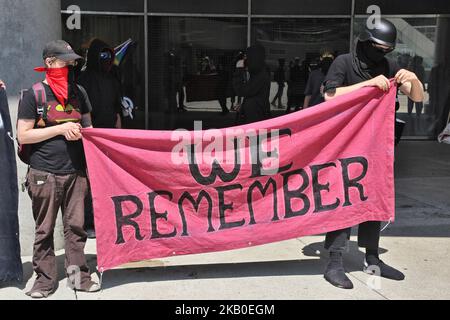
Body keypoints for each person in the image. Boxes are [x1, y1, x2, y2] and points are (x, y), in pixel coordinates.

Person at [321, 19, 424, 290]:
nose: (383, 54)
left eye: (388, 50)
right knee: (342, 201)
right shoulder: (343, 62)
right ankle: (334, 262)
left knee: (374, 201)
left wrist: (413, 79)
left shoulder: (386, 66)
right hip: (345, 146)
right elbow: (329, 96)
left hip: (376, 148)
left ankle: (372, 257)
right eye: (379, 48)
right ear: (366, 42)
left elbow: (417, 98)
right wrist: (367, 86)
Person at [17, 40, 100, 298]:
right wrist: (61, 129)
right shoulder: (34, 95)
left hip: (76, 173)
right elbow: (24, 135)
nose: (69, 67)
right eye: (64, 62)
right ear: (50, 63)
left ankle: (78, 278)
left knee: (75, 229)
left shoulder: (79, 92)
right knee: (44, 230)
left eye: (72, 62)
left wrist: (83, 133)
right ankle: (44, 282)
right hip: (44, 173)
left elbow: (90, 129)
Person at [233, 45, 271, 125]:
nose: (246, 60)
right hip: (256, 118)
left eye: (248, 57)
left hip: (256, 121)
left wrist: (239, 69)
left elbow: (241, 90)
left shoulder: (261, 75)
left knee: (256, 138)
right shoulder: (259, 73)